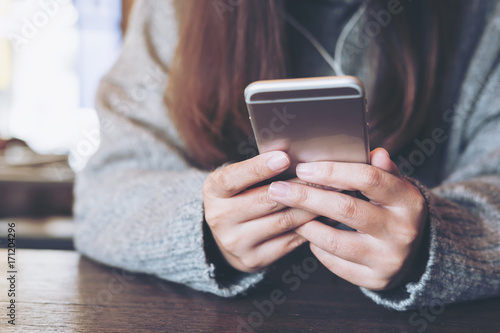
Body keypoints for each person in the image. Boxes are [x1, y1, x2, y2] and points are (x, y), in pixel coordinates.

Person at [74, 0, 500, 310]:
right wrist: (206, 225)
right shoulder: (175, 10)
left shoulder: (481, 15)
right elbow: (104, 193)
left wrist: (434, 242)